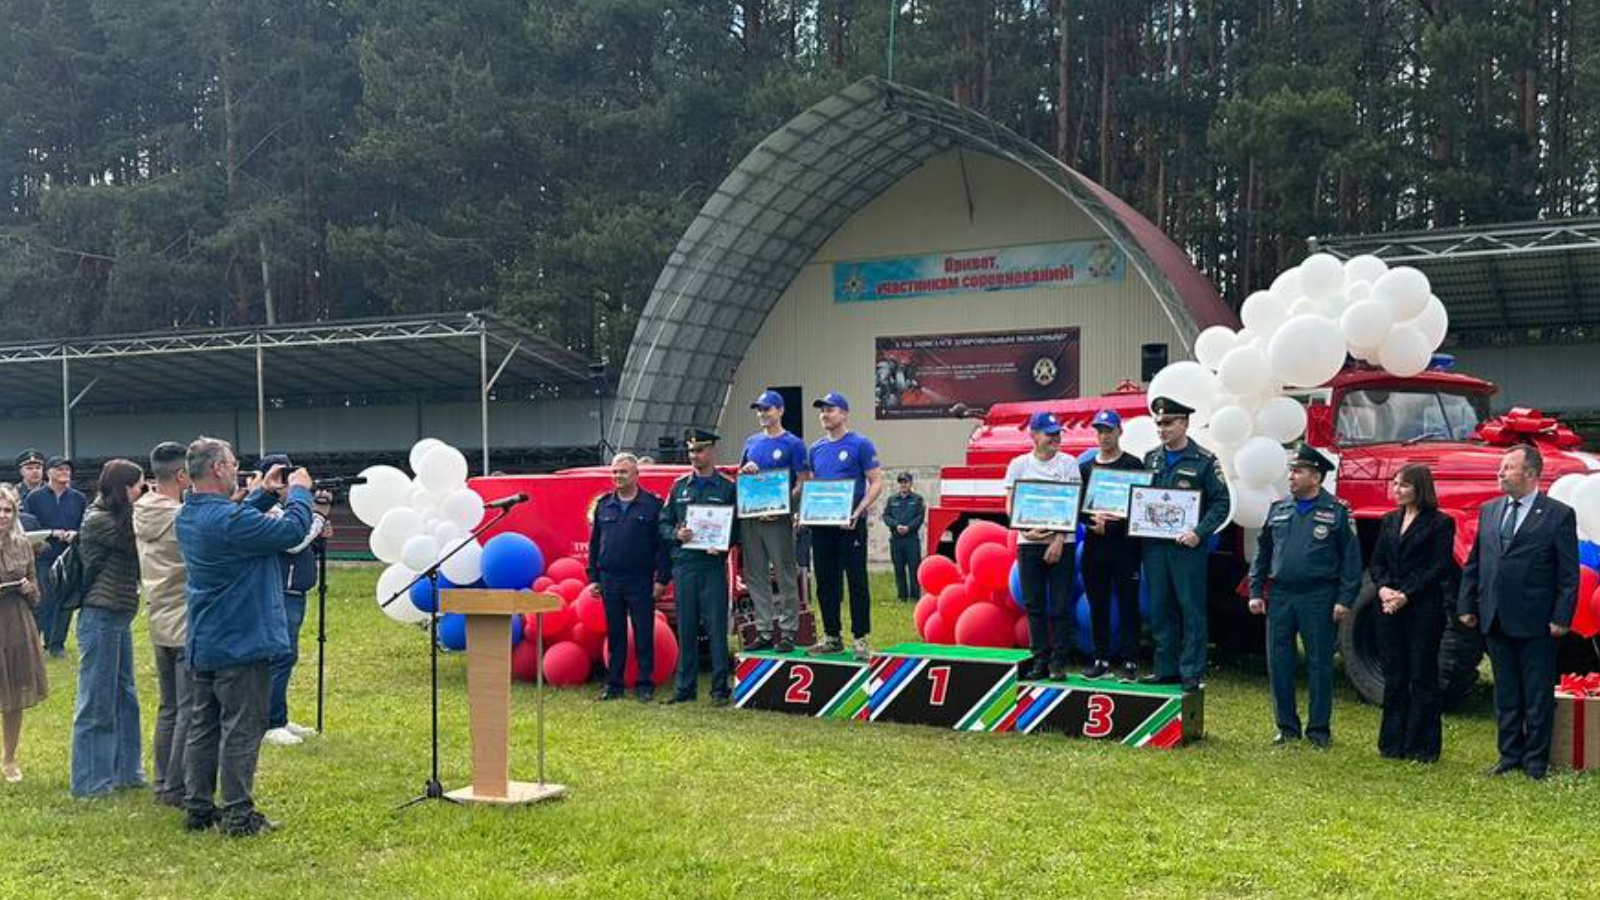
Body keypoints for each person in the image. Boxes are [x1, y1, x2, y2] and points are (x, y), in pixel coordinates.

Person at [178, 437, 314, 835]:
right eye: (234, 464)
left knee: (204, 725)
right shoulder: (228, 520)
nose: (238, 470)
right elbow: (292, 530)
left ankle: (198, 807)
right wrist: (299, 492)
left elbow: (235, 522)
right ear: (219, 468)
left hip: (206, 636)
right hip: (242, 637)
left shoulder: (188, 514)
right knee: (242, 727)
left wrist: (264, 494)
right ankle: (238, 814)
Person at [1458, 444, 1579, 780]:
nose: (1500, 473)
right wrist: (1467, 604)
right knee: (1506, 691)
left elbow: (1568, 574)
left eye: (1508, 467)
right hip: (1495, 616)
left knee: (1537, 694)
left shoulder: (1558, 514)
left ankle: (1536, 761)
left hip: (1537, 621)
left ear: (1530, 473)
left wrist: (1561, 617)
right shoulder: (1490, 510)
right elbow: (1475, 562)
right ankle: (1509, 754)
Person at [1247, 444, 1361, 748]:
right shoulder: (1279, 508)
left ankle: (1318, 730)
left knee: (1319, 664)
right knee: (1279, 663)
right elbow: (1262, 552)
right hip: (1281, 596)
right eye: (1291, 471)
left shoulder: (1337, 511)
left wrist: (1345, 599)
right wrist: (1256, 590)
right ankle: (1286, 727)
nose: (1291, 477)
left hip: (1319, 596)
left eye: (1298, 471)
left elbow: (1351, 560)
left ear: (1316, 477)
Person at [1140, 397, 1230, 691]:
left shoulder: (1205, 460)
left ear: (1184, 423)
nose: (1162, 429)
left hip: (1187, 548)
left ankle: (1191, 670)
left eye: (1168, 423)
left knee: (1191, 610)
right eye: (1158, 423)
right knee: (1160, 608)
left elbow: (1221, 503)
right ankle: (1165, 668)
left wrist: (1199, 532)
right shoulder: (1151, 458)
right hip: (1155, 546)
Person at [1368, 464, 1457, 762]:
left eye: (1404, 485)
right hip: (1388, 607)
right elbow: (1377, 562)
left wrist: (1406, 594)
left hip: (1423, 608)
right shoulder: (1389, 521)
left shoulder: (1440, 523)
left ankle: (1422, 746)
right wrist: (1383, 589)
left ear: (1420, 488)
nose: (1397, 490)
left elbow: (1438, 567)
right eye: (1395, 484)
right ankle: (1392, 743)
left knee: (1422, 674)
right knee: (1394, 675)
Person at [70, 458, 147, 798]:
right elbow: (137, 542)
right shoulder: (100, 520)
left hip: (117, 615)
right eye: (139, 486)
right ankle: (90, 782)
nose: (143, 492)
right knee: (96, 700)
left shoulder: (116, 516)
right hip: (100, 616)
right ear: (124, 488)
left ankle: (126, 771)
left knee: (124, 696)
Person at [256, 453, 331, 748]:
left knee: (287, 656)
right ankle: (269, 722)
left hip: (294, 591)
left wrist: (319, 530)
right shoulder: (269, 510)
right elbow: (293, 542)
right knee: (279, 657)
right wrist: (318, 516)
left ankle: (280, 717)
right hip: (280, 592)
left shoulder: (289, 510)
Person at [134, 442, 194, 806]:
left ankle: (162, 780)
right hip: (185, 620)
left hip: (159, 617)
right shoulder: (180, 517)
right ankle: (175, 786)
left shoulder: (141, 510)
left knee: (168, 707)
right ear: (182, 475)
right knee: (189, 709)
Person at [660, 429, 739, 706]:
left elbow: (738, 527)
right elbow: (663, 522)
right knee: (686, 628)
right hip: (685, 566)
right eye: (691, 451)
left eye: (700, 450)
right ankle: (685, 688)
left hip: (712, 565)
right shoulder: (679, 486)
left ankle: (719, 689)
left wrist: (724, 545)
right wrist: (676, 534)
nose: (694, 456)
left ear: (712, 451)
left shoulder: (727, 487)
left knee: (716, 628)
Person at [806, 392, 884, 661]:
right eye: (822, 410)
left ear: (844, 414)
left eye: (830, 409)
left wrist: (859, 510)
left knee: (857, 581)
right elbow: (813, 486)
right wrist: (805, 512)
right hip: (822, 526)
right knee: (825, 582)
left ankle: (860, 639)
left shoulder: (860, 444)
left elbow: (876, 481)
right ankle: (832, 637)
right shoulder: (815, 449)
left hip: (851, 525)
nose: (825, 415)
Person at [587, 452, 671, 702]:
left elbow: (662, 546)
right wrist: (593, 578)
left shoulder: (652, 505)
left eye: (623, 472)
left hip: (640, 579)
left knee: (643, 633)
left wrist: (662, 579)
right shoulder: (604, 505)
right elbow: (595, 545)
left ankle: (645, 684)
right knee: (615, 635)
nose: (618, 476)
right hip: (610, 579)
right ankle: (614, 684)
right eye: (614, 472)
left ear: (636, 474)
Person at [1005, 411, 1081, 680]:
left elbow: (1072, 504)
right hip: (1029, 544)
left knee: (1059, 606)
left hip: (1062, 543)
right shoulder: (1018, 465)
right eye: (1049, 434)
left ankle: (1059, 662)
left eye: (1058, 433)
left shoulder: (1069, 464)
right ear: (1034, 436)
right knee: (1033, 605)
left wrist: (1058, 540)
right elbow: (1010, 504)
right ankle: (1039, 660)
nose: (1055, 438)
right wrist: (1026, 530)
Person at [738, 390, 809, 651]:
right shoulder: (751, 441)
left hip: (778, 519)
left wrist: (785, 507)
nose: (762, 414)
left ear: (780, 410)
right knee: (755, 575)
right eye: (759, 409)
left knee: (784, 573)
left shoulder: (793, 443)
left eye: (767, 409)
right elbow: (741, 476)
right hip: (752, 517)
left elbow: (803, 480)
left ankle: (788, 631)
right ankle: (764, 630)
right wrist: (746, 471)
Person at [1078, 409, 1145, 681]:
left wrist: (1116, 523)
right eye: (1100, 431)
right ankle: (1101, 659)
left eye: (1109, 430)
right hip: (1095, 547)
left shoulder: (1133, 465)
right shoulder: (1086, 468)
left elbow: (1140, 506)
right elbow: (1076, 508)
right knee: (1098, 605)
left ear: (1120, 432)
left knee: (1128, 604)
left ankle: (1130, 661)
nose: (1104, 436)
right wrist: (1090, 520)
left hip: (1125, 548)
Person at [0, 484, 47, 783]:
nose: (2, 515)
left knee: (15, 693)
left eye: (8, 510)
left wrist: (29, 589)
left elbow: (37, 595)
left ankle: (9, 758)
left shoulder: (23, 545)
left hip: (17, 624)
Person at [24, 455, 88, 658]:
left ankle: (56, 644)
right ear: (49, 473)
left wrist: (75, 534)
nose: (64, 473)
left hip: (69, 556)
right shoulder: (35, 498)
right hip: (45, 555)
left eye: (67, 470)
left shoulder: (79, 498)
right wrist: (52, 532)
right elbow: (29, 525)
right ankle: (41, 640)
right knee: (45, 600)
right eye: (60, 469)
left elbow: (85, 524)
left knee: (66, 600)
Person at [883, 472, 925, 602]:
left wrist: (909, 527)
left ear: (911, 483)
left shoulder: (917, 499)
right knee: (899, 568)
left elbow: (920, 517)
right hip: (896, 539)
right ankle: (902, 596)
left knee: (914, 568)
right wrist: (896, 525)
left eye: (906, 482)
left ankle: (914, 596)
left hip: (911, 539)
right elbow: (886, 516)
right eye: (901, 482)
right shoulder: (892, 499)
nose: (903, 485)